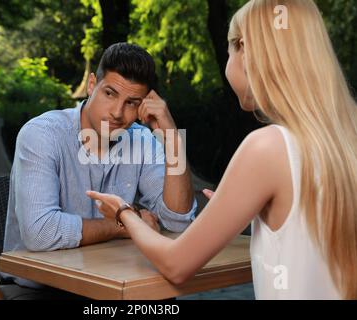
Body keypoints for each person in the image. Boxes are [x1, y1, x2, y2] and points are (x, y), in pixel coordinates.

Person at [87, 0, 357, 300]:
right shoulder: (346, 135)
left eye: (230, 49)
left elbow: (176, 265)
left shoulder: (267, 146)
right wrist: (257, 212)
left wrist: (124, 214)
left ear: (245, 50)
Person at [3, 42, 197, 288]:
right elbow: (40, 233)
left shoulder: (142, 140)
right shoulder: (42, 134)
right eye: (110, 93)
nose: (117, 112)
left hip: (112, 283)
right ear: (92, 85)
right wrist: (126, 224)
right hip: (40, 289)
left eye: (132, 102)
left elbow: (178, 221)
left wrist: (172, 138)